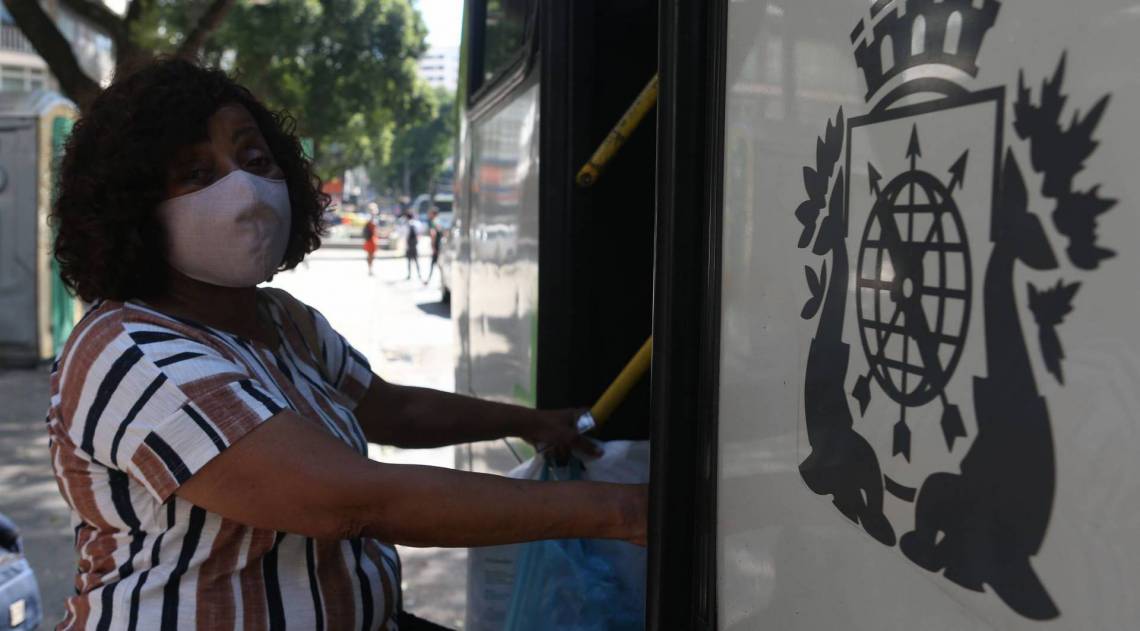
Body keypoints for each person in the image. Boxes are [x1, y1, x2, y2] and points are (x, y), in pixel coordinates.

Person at [47, 59, 645, 631]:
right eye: (198, 175)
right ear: (132, 211)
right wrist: (624, 512)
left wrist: (536, 422)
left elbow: (396, 410)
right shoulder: (128, 351)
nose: (245, 189)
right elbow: (351, 502)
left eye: (254, 158)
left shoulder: (283, 321)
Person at [424, 207, 443, 284]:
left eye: (430, 213)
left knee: (436, 263)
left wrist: (433, 246)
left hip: (437, 246)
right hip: (439, 245)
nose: (428, 215)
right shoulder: (438, 221)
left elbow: (433, 234)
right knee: (438, 263)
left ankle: (429, 280)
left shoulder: (433, 222)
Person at [405, 214, 423, 281]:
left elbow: (406, 235)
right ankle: (419, 274)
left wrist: (406, 245)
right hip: (414, 245)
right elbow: (419, 233)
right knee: (416, 260)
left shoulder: (408, 224)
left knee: (409, 261)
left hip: (410, 245)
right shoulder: (416, 223)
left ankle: (409, 274)